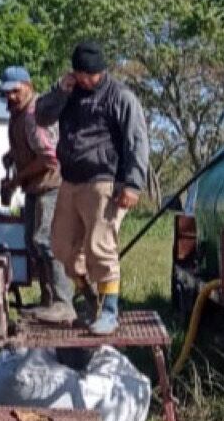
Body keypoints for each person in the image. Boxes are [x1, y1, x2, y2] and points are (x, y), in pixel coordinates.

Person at [35, 42, 151, 336]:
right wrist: (61, 91)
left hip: (104, 181)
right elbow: (41, 116)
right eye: (81, 74)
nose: (86, 80)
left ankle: (110, 311)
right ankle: (88, 295)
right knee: (60, 245)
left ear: (100, 71)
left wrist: (133, 184)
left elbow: (137, 141)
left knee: (100, 247)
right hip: (71, 180)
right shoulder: (68, 92)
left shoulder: (120, 97)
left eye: (91, 75)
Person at [0, 67, 77, 325]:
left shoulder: (33, 114)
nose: (10, 97)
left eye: (15, 91)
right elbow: (30, 146)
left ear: (28, 86)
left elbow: (49, 158)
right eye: (6, 92)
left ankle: (63, 303)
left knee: (46, 240)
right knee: (32, 243)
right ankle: (48, 300)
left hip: (50, 185)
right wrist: (13, 155)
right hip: (35, 187)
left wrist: (16, 180)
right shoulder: (17, 115)